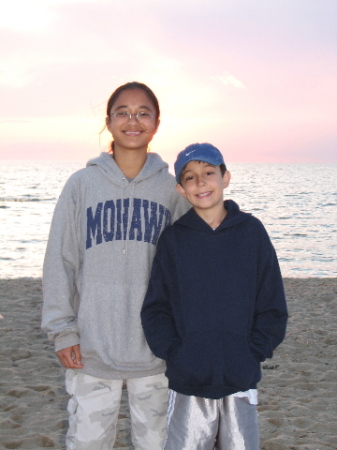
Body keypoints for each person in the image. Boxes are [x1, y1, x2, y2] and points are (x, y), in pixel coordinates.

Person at [41, 82, 190, 450]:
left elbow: (189, 270)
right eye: (123, 112)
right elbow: (60, 260)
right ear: (108, 121)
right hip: (92, 350)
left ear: (156, 123)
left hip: (157, 353)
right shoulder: (81, 185)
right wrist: (63, 330)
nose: (132, 120)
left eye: (143, 113)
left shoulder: (172, 191)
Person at [141, 143, 288, 450]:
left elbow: (272, 303)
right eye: (191, 177)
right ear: (181, 189)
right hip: (188, 380)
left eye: (209, 173)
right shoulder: (173, 240)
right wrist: (175, 352)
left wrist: (254, 351)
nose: (201, 182)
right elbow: (156, 307)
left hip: (240, 377)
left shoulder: (252, 232)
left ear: (226, 177)